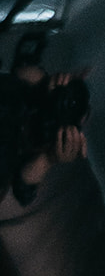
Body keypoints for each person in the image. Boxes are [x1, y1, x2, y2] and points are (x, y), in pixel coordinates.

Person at [0, 66, 89, 207]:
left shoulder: (36, 142)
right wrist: (46, 81)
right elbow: (20, 69)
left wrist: (49, 158)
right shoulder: (29, 93)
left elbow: (23, 190)